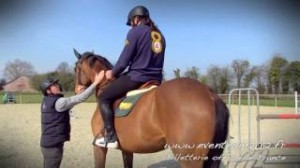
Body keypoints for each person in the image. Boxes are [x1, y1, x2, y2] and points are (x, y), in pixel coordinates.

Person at [93, 5, 166, 148]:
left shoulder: (135, 32)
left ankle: (111, 136)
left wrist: (112, 73)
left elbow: (124, 61)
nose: (131, 25)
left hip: (137, 76)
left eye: (131, 22)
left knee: (104, 97)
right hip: (156, 79)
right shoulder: (160, 35)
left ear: (136, 18)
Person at [40, 71, 104, 168]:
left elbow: (67, 105)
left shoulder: (46, 101)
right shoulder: (59, 102)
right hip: (53, 146)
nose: (57, 86)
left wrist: (77, 93)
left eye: (57, 84)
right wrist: (96, 82)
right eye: (54, 85)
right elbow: (81, 98)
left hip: (46, 143)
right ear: (48, 90)